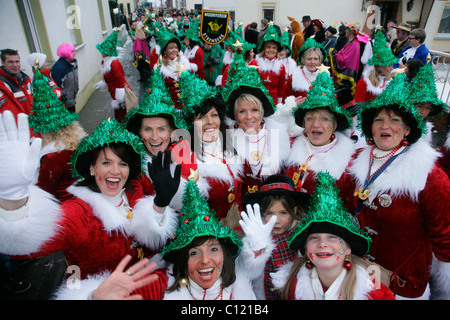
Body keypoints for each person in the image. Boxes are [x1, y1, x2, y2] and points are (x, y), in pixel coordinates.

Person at [0, 113, 180, 284]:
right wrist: (13, 197)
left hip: (148, 284)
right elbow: (21, 247)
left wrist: (159, 205)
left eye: (122, 164)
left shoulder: (133, 190)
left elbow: (152, 238)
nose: (115, 171)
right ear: (92, 169)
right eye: (106, 163)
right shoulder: (79, 213)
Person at [56, 175, 276, 300]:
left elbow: (252, 266)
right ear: (182, 259)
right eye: (194, 252)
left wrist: (257, 246)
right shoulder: (162, 286)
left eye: (213, 249)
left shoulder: (238, 281)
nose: (205, 260)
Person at [337, 73, 450, 299]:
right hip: (357, 269)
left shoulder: (428, 177)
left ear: (408, 129)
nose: (385, 126)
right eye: (378, 120)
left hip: (401, 282)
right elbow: (340, 204)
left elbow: (445, 239)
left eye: (395, 120)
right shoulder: (357, 161)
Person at [271, 172, 395, 300]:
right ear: (305, 249)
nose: (322, 244)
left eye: (332, 237)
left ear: (347, 248)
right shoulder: (294, 286)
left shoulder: (374, 293)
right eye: (314, 238)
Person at [124, 70, 203, 212]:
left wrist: (190, 179)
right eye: (147, 129)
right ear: (140, 133)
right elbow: (137, 218)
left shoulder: (183, 155)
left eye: (161, 129)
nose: (155, 137)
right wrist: (160, 203)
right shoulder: (134, 168)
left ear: (172, 131)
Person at [222, 50, 291, 197]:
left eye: (254, 110)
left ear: (262, 112)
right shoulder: (227, 141)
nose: (249, 117)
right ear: (235, 115)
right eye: (242, 111)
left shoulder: (280, 139)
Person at [285, 71, 355, 194]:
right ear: (304, 123)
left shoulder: (346, 167)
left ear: (334, 125)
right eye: (310, 118)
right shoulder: (289, 149)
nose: (316, 124)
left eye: (324, 119)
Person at [242, 174, 310, 299]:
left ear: (294, 211)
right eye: (270, 213)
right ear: (262, 212)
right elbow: (246, 271)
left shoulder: (302, 236)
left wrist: (292, 274)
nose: (276, 220)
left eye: (283, 213)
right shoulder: (255, 235)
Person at [28, 67, 85, 202]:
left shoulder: (52, 156)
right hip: (86, 198)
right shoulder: (81, 142)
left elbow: (44, 191)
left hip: (65, 205)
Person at [94, 30, 134, 122]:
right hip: (113, 92)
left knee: (121, 115)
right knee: (119, 114)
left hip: (119, 93)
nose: (101, 53)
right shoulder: (105, 62)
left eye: (102, 51)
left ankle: (124, 131)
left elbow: (120, 79)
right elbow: (109, 77)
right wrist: (103, 83)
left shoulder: (114, 63)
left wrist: (120, 97)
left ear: (107, 52)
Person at [153, 24, 193, 109]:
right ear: (165, 51)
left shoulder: (184, 62)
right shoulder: (160, 67)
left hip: (185, 105)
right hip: (169, 107)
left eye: (176, 47)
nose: (174, 50)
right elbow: (158, 90)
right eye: (171, 48)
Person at [355, 29, 398, 104]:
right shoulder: (365, 82)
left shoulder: (389, 82)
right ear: (378, 66)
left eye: (392, 65)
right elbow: (359, 105)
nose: (391, 68)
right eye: (388, 65)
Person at [408, 63, 447, 142]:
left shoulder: (426, 128)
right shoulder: (401, 125)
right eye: (420, 106)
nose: (424, 112)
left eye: (428, 108)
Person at [250, 22, 286, 105]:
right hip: (257, 101)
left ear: (277, 50)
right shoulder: (255, 63)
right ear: (264, 49)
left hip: (273, 102)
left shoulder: (281, 66)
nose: (271, 50)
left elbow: (281, 88)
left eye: (274, 48)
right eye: (268, 47)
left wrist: (279, 104)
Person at [285, 37, 327, 104]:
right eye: (309, 59)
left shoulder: (324, 78)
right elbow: (285, 101)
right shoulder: (294, 78)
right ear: (303, 60)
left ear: (320, 61)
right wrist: (293, 104)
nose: (312, 62)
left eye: (315, 59)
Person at [329, 21, 366, 95]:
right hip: (345, 75)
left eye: (347, 29)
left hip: (346, 76)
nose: (345, 31)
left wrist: (334, 54)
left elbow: (344, 60)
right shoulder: (350, 42)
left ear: (350, 31)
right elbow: (341, 52)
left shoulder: (354, 44)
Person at [0, 49, 33, 116]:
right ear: (3, 63)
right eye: (10, 62)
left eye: (17, 61)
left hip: (33, 122)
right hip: (18, 124)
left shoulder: (25, 79)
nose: (15, 65)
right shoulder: (2, 83)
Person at [51, 43, 79, 113]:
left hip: (72, 99)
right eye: (72, 51)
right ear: (66, 53)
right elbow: (57, 86)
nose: (74, 53)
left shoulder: (73, 64)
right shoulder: (58, 68)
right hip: (64, 103)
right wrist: (64, 97)